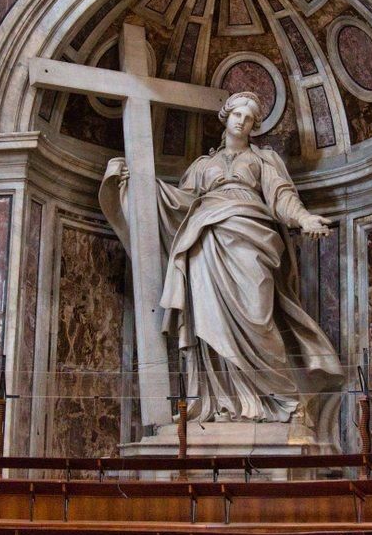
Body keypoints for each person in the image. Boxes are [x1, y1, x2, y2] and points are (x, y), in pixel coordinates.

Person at [101, 91, 344, 441]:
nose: (241, 121)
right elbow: (181, 204)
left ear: (254, 125)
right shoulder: (202, 166)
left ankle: (283, 400)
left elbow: (281, 196)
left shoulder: (263, 160)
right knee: (209, 322)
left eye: (249, 117)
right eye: (237, 114)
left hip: (250, 237)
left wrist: (303, 218)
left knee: (257, 316)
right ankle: (219, 404)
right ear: (226, 116)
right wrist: (140, 186)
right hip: (205, 242)